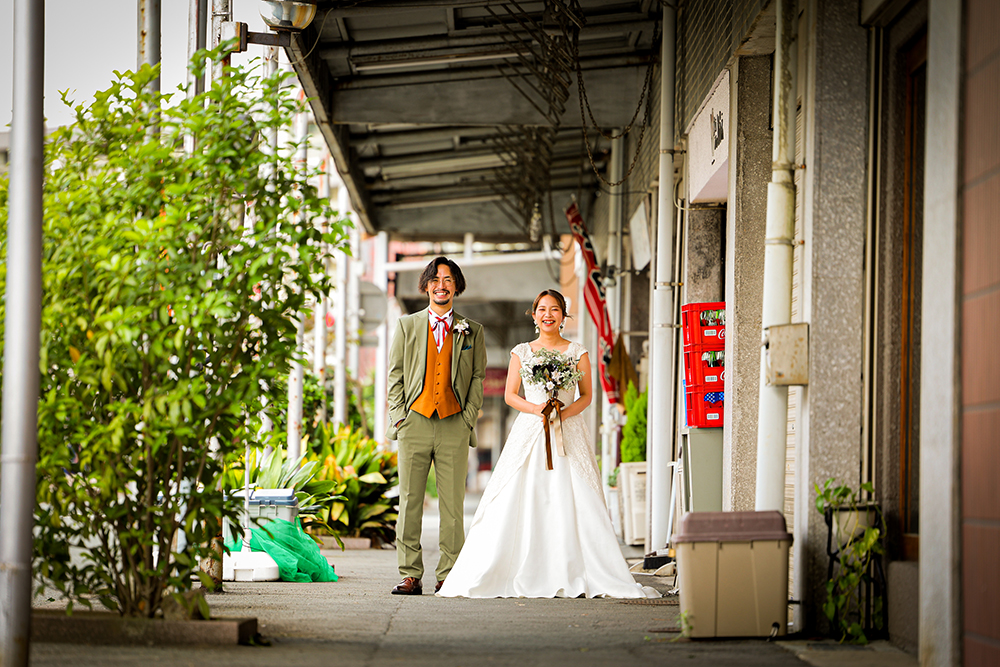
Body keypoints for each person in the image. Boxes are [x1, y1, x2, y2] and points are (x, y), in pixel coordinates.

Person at [438, 290, 658, 599]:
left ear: (563, 316)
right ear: (534, 315)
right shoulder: (521, 352)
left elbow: (586, 396)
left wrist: (562, 414)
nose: (548, 315)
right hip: (531, 427)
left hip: (568, 429)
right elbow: (510, 395)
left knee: (576, 492)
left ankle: (579, 567)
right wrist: (537, 409)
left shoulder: (577, 352)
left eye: (555, 309)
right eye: (542, 309)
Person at [386, 257, 487, 595]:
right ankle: (410, 574)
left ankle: (449, 574)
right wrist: (399, 417)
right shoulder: (407, 326)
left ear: (456, 286)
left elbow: (477, 376)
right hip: (414, 421)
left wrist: (468, 417)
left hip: (454, 422)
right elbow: (395, 374)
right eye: (435, 279)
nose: (441, 285)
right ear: (426, 286)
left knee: (452, 506)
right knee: (409, 501)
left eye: (448, 279)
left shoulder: (473, 330)